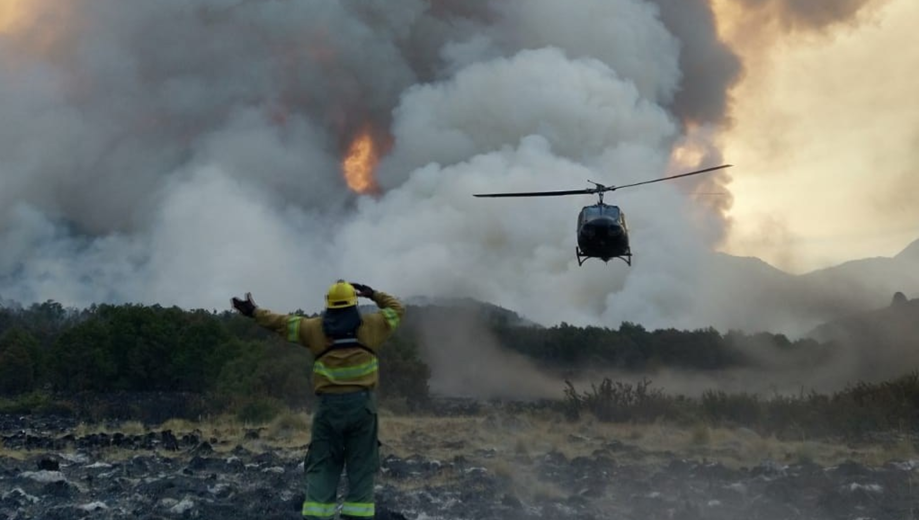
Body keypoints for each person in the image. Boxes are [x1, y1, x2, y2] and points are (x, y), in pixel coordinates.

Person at [230, 280, 405, 520]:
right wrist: (373, 294)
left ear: (329, 305)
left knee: (322, 467)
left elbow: (281, 323)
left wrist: (254, 312)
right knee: (362, 468)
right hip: (363, 409)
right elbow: (397, 310)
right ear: (354, 303)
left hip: (328, 410)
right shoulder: (372, 326)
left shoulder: (314, 329)